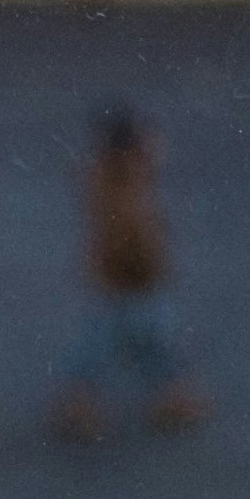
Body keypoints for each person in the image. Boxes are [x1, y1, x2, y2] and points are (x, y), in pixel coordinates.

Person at [47, 103, 206, 440]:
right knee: (111, 345)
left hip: (132, 278)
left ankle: (169, 397)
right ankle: (79, 404)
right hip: (125, 279)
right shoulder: (119, 181)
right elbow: (129, 231)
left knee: (148, 344)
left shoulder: (120, 176)